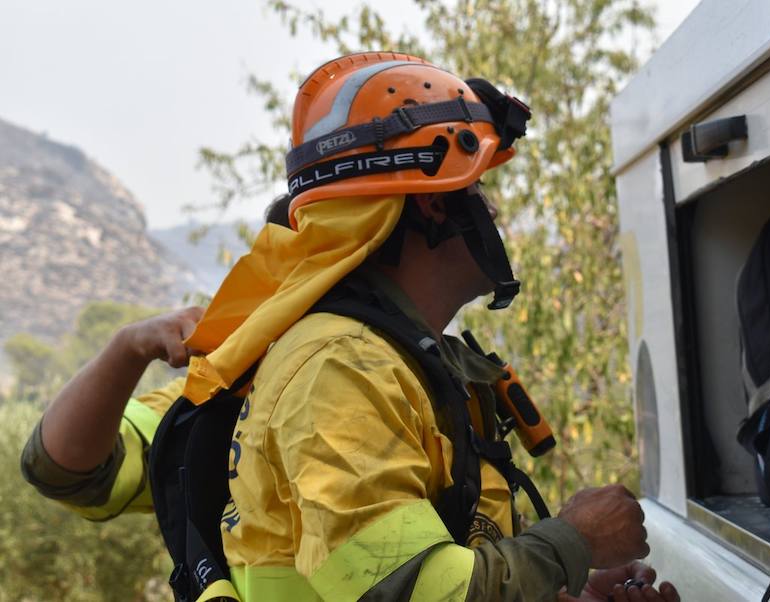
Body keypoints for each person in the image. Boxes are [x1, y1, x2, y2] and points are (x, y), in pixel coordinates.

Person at [23, 52, 680, 602]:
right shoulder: (338, 368)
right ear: (429, 203)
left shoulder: (393, 361)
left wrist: (564, 586)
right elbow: (414, 591)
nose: (495, 211)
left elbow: (424, 557)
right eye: (478, 188)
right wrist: (575, 540)